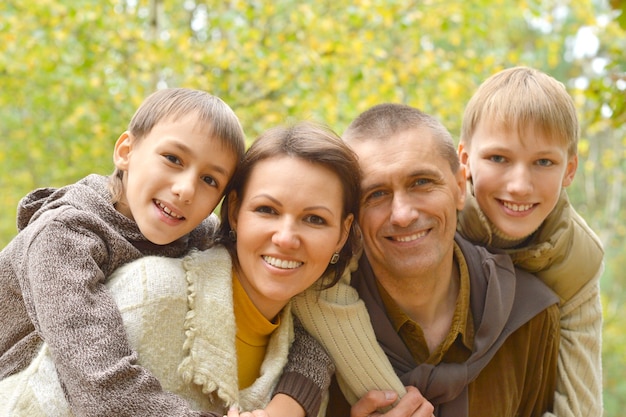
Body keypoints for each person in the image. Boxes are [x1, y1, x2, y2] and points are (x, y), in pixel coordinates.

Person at [0, 121, 362, 417]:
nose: (285, 238)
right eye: (266, 210)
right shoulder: (146, 290)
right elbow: (97, 390)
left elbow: (318, 346)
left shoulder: (298, 322)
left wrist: (290, 406)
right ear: (234, 211)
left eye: (314, 219)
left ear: (342, 233)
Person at [288, 103, 561, 417]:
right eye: (375, 194)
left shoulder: (528, 313)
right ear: (352, 217)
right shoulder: (312, 322)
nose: (402, 215)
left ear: (460, 188)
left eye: (421, 183)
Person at [0, 88, 246, 416]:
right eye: (173, 159)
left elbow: (281, 293)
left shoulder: (197, 234)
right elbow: (100, 386)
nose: (185, 190)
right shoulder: (63, 236)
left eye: (209, 180)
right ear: (126, 151)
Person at [456, 66, 604, 417]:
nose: (520, 185)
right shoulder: (435, 220)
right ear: (465, 160)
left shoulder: (575, 257)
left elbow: (580, 403)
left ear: (569, 169)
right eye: (498, 158)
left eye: (543, 161)